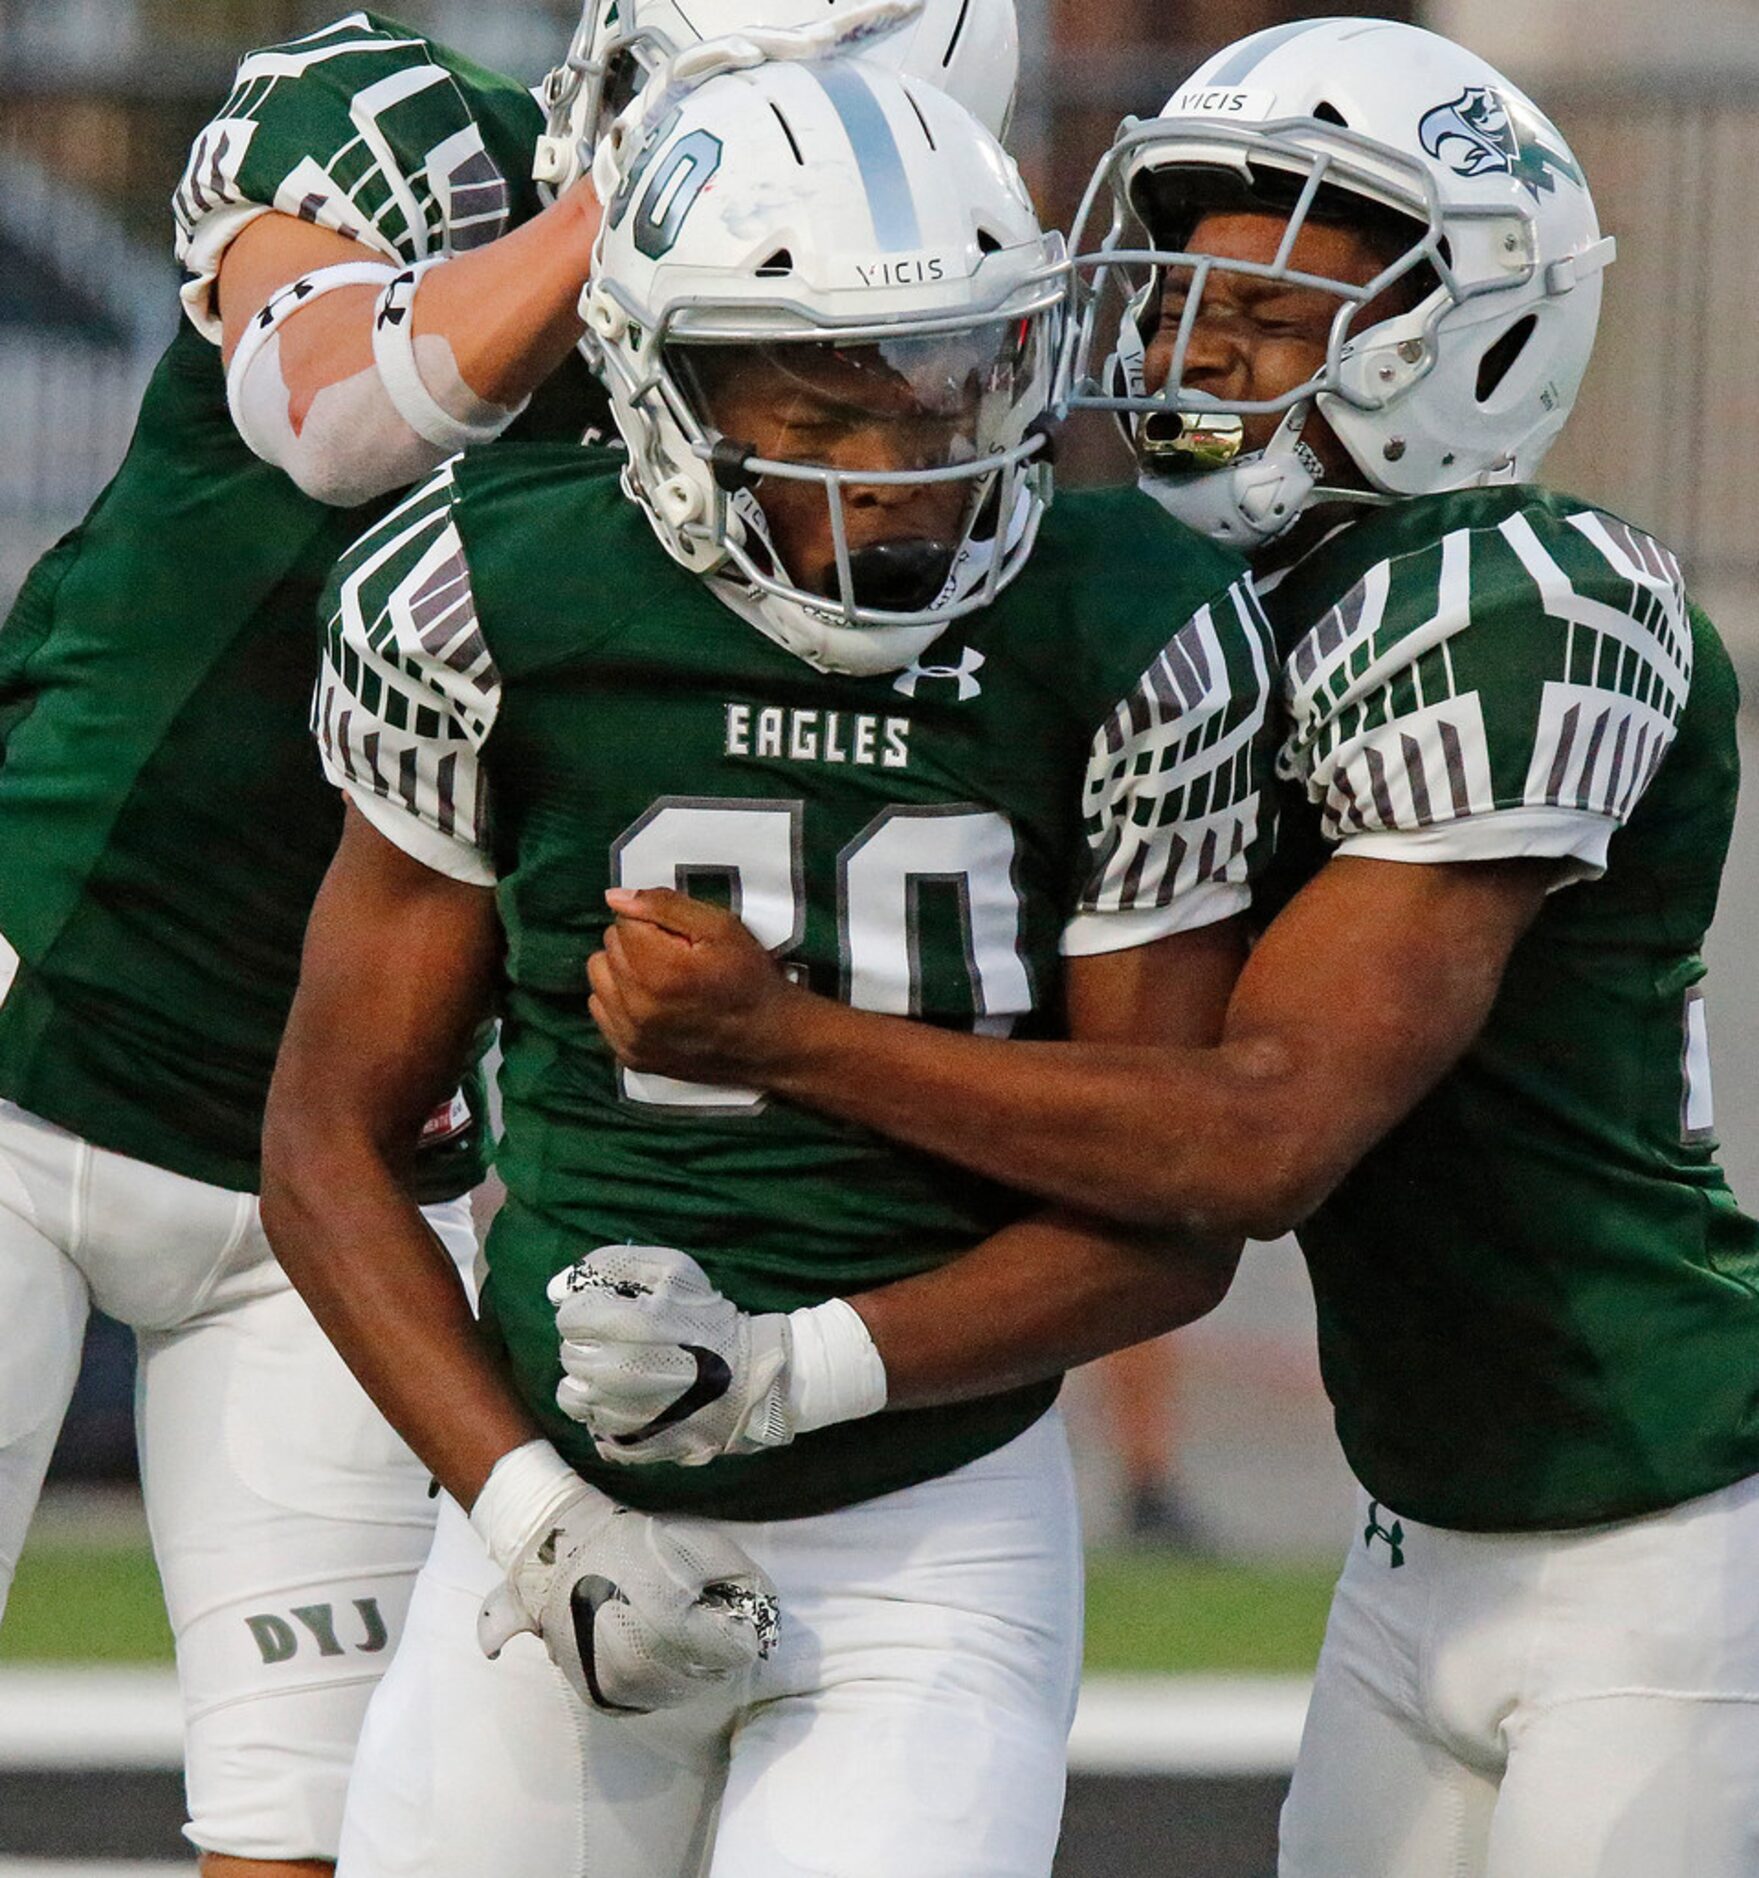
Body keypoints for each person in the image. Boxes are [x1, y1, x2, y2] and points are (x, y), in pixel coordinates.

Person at [573, 21, 1759, 1877]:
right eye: (1183, 282)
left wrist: (788, 1041)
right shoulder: (1188, 605)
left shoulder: (1513, 595)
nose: (1199, 344)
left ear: (1480, 331)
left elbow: (1262, 1138)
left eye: (1275, 313)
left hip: (1659, 1539)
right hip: (1416, 1540)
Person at [0, 2, 1007, 1871]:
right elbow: (323, 412)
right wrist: (621, 217)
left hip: (332, 1159)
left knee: (298, 1822)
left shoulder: (842, 449)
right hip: (30, 1021)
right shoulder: (398, 126)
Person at [260, 57, 1275, 1877]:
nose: (912, 469)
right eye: (827, 404)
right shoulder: (490, 598)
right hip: (562, 1499)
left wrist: (799, 1360)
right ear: (660, 382)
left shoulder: (1133, 627)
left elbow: (1176, 1201)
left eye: (955, 383)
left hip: (928, 1516)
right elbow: (323, 1148)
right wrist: (531, 1513)